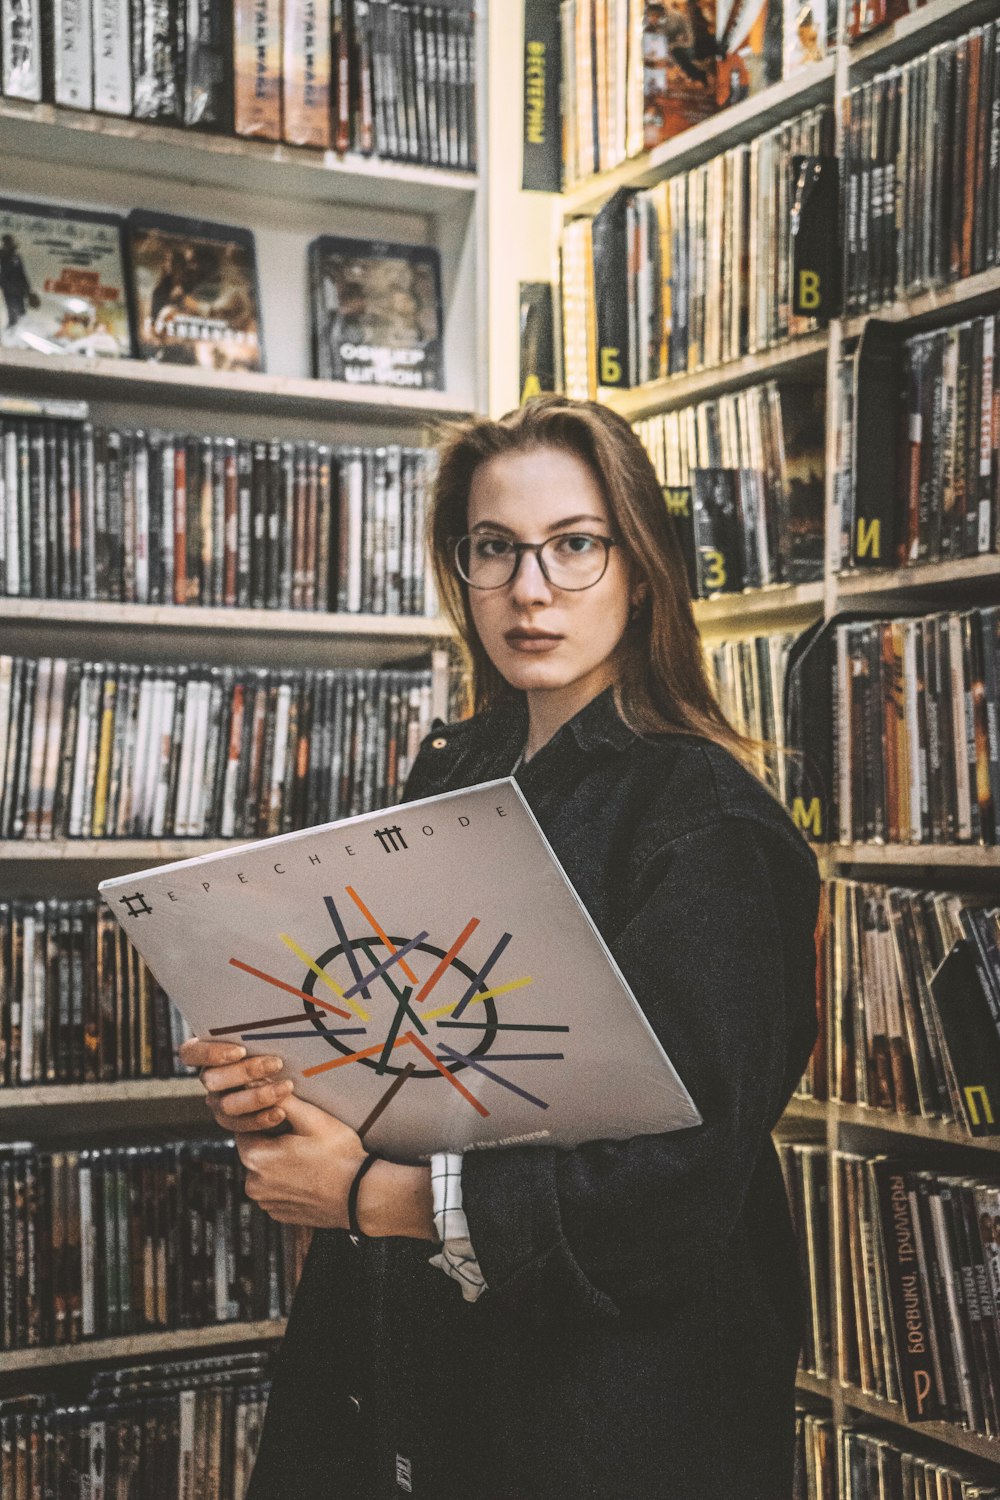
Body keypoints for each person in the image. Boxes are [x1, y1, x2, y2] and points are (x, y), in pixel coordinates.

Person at [180, 395, 820, 1500]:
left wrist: (367, 1197)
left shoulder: (705, 823)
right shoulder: (454, 772)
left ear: (640, 565)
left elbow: (679, 1179)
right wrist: (288, 1083)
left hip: (615, 1415)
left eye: (574, 545)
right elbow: (423, 1060)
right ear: (458, 569)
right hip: (429, 1373)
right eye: (494, 549)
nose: (531, 590)